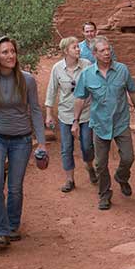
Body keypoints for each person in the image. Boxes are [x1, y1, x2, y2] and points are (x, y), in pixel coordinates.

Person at [0, 36, 47, 250]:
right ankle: (0, 231)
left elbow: (34, 110)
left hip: (21, 140)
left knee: (15, 187)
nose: (10, 55)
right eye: (5, 52)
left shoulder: (27, 80)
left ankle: (13, 225)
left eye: (12, 51)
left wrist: (41, 142)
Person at [72, 36, 135, 210]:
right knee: (100, 164)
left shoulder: (122, 70)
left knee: (128, 157)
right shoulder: (87, 74)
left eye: (108, 49)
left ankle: (121, 177)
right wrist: (75, 121)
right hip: (99, 124)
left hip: (120, 122)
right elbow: (80, 98)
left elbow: (133, 92)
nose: (107, 53)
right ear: (94, 54)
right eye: (102, 50)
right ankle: (104, 194)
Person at [45, 37, 96, 193]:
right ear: (66, 51)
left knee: (87, 145)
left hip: (85, 113)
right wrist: (48, 114)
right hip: (65, 114)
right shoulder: (57, 68)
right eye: (75, 47)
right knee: (66, 148)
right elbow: (51, 91)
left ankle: (89, 165)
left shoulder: (87, 65)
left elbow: (95, 86)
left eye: (78, 47)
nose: (78, 49)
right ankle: (70, 179)